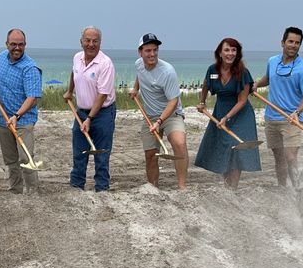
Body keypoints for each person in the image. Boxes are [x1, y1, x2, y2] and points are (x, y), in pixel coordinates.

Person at [253, 27, 303, 187]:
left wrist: (298, 112)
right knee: (279, 158)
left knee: (290, 157)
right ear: (283, 43)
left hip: (292, 120)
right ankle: (283, 188)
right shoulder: (272, 61)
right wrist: (257, 84)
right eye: (291, 41)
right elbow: (269, 78)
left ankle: (297, 189)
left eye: (297, 43)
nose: (293, 45)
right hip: (271, 118)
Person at [194, 38, 261, 188]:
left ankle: (233, 187)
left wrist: (226, 117)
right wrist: (202, 101)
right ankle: (227, 185)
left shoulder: (243, 72)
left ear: (237, 53)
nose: (230, 53)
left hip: (241, 114)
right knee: (224, 148)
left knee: (235, 147)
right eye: (227, 50)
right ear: (220, 52)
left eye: (234, 50)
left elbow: (242, 101)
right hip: (221, 110)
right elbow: (205, 85)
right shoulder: (212, 70)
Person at [0, 29, 42, 194]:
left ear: (25, 45)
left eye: (20, 44)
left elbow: (32, 98)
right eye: (13, 44)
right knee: (10, 160)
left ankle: (32, 190)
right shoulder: (1, 57)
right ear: (7, 44)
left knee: (25, 158)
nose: (17, 48)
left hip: (23, 121)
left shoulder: (30, 68)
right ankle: (15, 189)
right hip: (3, 119)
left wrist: (17, 115)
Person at [130, 33, 188, 190]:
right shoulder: (138, 64)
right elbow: (140, 75)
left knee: (179, 143)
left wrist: (160, 121)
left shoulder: (167, 71)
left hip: (171, 115)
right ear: (140, 52)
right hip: (149, 115)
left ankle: (182, 187)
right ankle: (152, 188)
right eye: (148, 50)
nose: (152, 54)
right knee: (150, 154)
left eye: (155, 50)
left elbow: (173, 101)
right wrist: (135, 89)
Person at [62, 26, 116, 192]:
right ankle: (77, 186)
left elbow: (102, 95)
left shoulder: (106, 64)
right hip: (81, 111)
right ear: (81, 42)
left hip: (102, 114)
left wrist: (90, 119)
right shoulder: (77, 57)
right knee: (79, 152)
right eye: (88, 40)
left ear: (100, 43)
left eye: (95, 41)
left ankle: (102, 188)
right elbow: (74, 73)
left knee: (101, 154)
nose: (91, 44)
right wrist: (70, 91)